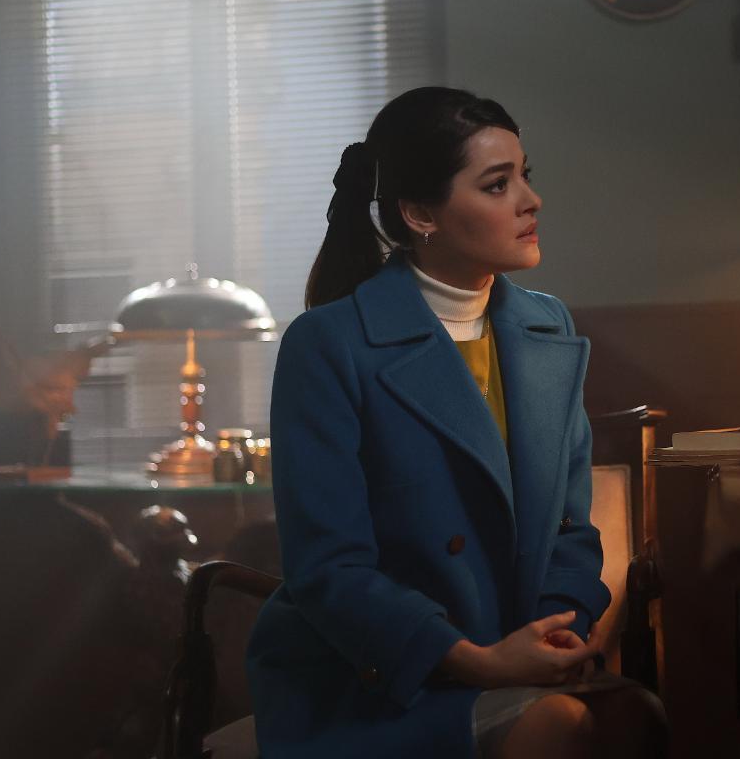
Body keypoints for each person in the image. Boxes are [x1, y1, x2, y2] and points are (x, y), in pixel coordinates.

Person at [247, 87, 667, 758]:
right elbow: (329, 569)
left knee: (638, 718)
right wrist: (478, 662)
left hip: (518, 653)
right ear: (420, 214)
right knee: (560, 727)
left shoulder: (545, 325)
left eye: (525, 176)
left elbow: (570, 529)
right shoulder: (328, 343)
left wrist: (554, 630)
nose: (531, 201)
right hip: (376, 681)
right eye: (497, 185)